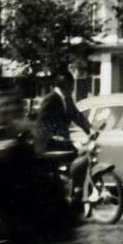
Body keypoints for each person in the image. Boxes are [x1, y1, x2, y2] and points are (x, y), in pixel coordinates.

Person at [35, 77, 94, 210]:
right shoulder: (50, 99)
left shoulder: (67, 99)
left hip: (62, 141)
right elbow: (41, 121)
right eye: (71, 86)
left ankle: (75, 193)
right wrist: (52, 136)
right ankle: (66, 195)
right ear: (65, 86)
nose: (73, 89)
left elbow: (76, 115)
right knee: (66, 165)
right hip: (48, 144)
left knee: (81, 156)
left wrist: (89, 130)